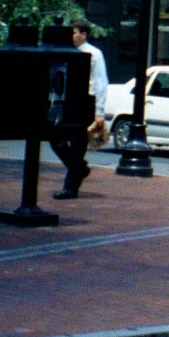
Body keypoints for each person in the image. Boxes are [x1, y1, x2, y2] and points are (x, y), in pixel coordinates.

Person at [50, 18, 108, 201]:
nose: (71, 36)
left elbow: (101, 83)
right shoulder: (66, 51)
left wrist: (99, 111)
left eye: (74, 32)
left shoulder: (94, 54)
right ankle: (79, 168)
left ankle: (70, 187)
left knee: (78, 144)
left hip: (86, 103)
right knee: (55, 137)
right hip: (69, 102)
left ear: (83, 34)